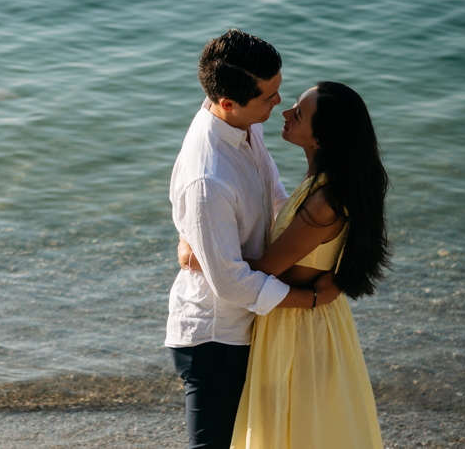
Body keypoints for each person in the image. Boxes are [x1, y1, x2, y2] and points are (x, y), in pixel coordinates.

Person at [166, 30, 340, 449]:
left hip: (250, 326)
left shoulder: (242, 122)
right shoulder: (208, 178)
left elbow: (273, 195)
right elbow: (231, 283)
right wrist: (311, 300)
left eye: (279, 89)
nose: (280, 103)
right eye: (269, 97)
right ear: (228, 102)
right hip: (217, 337)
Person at [221, 81, 389, 448]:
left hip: (298, 328)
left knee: (291, 429)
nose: (284, 112)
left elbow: (265, 268)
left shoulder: (324, 202)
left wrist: (204, 255)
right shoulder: (326, 185)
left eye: (298, 114)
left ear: (321, 138)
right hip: (309, 319)